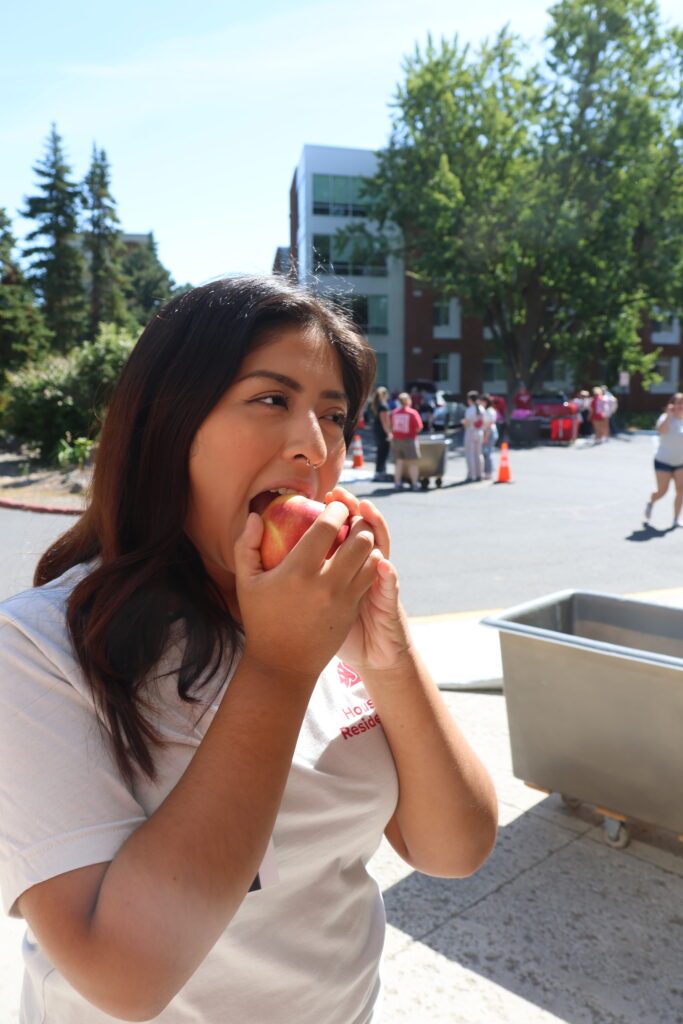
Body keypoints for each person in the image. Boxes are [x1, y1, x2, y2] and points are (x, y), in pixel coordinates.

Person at [0, 277, 497, 1024]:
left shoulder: (327, 617)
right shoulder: (38, 646)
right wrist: (280, 667)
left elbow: (454, 849)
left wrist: (387, 657)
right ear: (168, 428)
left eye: (333, 414)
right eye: (271, 400)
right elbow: (125, 978)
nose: (314, 444)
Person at [644, 392, 683, 528]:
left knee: (681, 490)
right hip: (663, 461)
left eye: (682, 403)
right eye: (678, 403)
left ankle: (676, 518)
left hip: (680, 463)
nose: (681, 406)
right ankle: (651, 502)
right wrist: (668, 415)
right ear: (672, 405)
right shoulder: (665, 418)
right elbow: (661, 431)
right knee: (662, 491)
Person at [390, 392, 424, 491]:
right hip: (409, 440)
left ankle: (397, 483)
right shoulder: (412, 413)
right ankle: (414, 483)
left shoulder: (394, 413)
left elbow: (392, 426)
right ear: (408, 401)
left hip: (396, 440)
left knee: (398, 462)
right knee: (412, 463)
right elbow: (419, 428)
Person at [462, 390, 485, 482]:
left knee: (470, 454)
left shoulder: (470, 410)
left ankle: (472, 475)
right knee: (478, 453)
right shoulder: (482, 408)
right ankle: (480, 474)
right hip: (479, 432)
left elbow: (466, 423)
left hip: (471, 432)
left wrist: (463, 423)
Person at [370, 385, 392, 480]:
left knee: (381, 451)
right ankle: (380, 472)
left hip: (377, 430)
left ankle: (380, 471)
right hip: (382, 432)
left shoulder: (378, 405)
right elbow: (385, 422)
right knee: (383, 451)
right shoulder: (383, 406)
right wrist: (388, 433)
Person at [481, 394, 498, 480]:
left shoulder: (490, 411)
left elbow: (489, 425)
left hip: (489, 433)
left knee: (487, 453)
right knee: (485, 453)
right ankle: (486, 471)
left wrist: (486, 437)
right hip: (486, 433)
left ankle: (489, 472)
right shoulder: (485, 410)